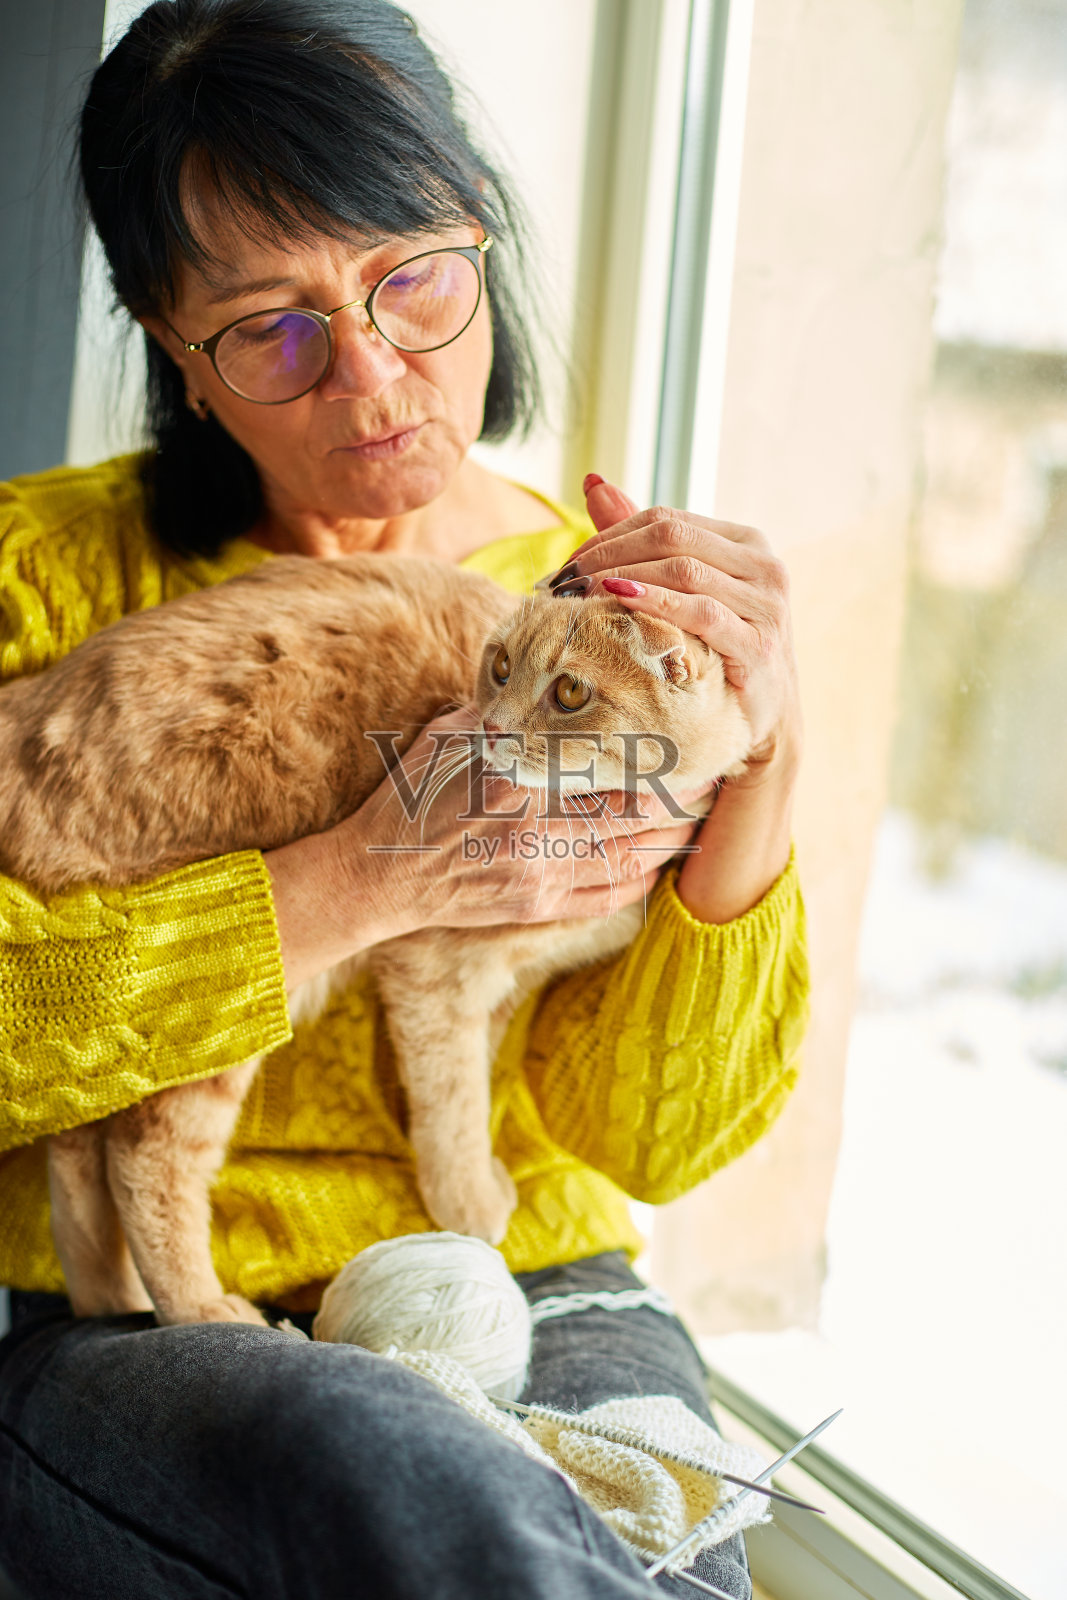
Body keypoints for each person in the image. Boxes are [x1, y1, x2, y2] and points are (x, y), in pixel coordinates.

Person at [0, 2, 809, 1596]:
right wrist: (353, 878)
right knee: (417, 1495)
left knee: (664, 1534)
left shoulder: (616, 619)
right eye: (272, 327)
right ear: (175, 346)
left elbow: (653, 1141)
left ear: (480, 239)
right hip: (163, 1311)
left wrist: (762, 761)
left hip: (536, 1272)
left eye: (412, 280)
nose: (371, 374)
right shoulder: (42, 579)